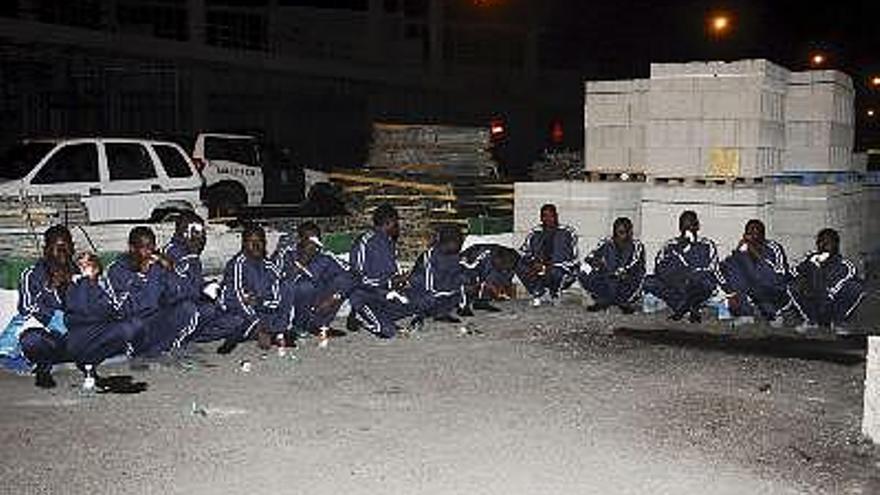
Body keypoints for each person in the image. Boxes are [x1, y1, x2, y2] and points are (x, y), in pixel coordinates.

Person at [0, 225, 75, 388]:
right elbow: (26, 309)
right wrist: (51, 288)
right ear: (46, 249)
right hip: (48, 337)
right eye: (57, 247)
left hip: (73, 337)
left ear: (73, 248)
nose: (63, 251)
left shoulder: (80, 273)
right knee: (32, 339)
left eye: (66, 246)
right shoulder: (32, 274)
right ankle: (43, 368)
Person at [162, 212, 241, 347]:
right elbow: (177, 293)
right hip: (172, 311)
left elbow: (195, 283)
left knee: (234, 320)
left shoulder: (190, 254)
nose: (203, 238)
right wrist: (205, 292)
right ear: (185, 233)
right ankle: (174, 340)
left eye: (203, 233)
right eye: (198, 233)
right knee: (204, 309)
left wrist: (212, 287)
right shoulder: (174, 253)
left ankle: (189, 336)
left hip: (191, 306)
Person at [278, 222, 353, 346]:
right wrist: (304, 259)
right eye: (309, 239)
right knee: (305, 287)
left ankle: (318, 325)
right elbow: (284, 284)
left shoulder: (325, 256)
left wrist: (335, 297)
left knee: (341, 280)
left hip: (318, 303)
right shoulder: (287, 254)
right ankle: (296, 328)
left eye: (317, 238)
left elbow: (350, 276)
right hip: (294, 308)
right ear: (300, 240)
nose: (314, 243)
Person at [215, 222, 285, 354]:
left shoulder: (270, 267)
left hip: (258, 309)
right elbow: (237, 299)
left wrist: (259, 302)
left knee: (279, 310)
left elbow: (276, 300)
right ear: (243, 244)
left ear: (265, 243)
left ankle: (259, 333)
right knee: (236, 319)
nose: (256, 245)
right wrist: (259, 327)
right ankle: (247, 335)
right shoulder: (237, 264)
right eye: (250, 241)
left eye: (259, 241)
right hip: (235, 310)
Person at [644, 211, 722, 323]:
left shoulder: (707, 244)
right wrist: (681, 249)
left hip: (696, 284)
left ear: (697, 226)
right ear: (680, 227)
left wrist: (690, 275)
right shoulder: (670, 244)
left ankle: (682, 309)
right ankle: (690, 307)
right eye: (684, 226)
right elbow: (659, 268)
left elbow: (712, 269)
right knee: (648, 281)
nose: (687, 229)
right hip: (676, 284)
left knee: (707, 284)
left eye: (691, 225)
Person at [347, 203, 412, 338]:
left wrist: (401, 281)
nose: (398, 226)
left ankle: (381, 316)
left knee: (423, 301)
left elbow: (390, 273)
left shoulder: (389, 241)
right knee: (388, 331)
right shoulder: (365, 242)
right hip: (366, 296)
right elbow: (356, 279)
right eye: (396, 223)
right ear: (388, 223)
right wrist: (390, 282)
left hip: (387, 294)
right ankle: (359, 316)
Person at [791, 228, 865, 332]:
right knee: (793, 285)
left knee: (855, 287)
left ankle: (838, 323)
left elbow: (831, 292)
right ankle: (812, 321)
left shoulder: (845, 266)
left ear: (836, 244)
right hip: (814, 303)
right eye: (821, 242)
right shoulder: (811, 259)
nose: (824, 245)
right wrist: (803, 280)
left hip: (832, 305)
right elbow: (794, 271)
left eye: (828, 242)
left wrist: (820, 287)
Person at [720, 219, 792, 325]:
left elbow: (777, 277)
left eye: (755, 233)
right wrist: (738, 251)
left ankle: (774, 314)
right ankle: (745, 314)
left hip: (775, 290)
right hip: (755, 286)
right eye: (748, 233)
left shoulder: (773, 247)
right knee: (732, 267)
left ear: (762, 234)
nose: (751, 236)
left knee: (759, 286)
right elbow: (728, 266)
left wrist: (753, 251)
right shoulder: (745, 250)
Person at [579, 217, 645, 314]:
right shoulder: (607, 242)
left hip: (626, 280)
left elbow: (633, 266)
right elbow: (590, 258)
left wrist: (618, 271)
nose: (619, 236)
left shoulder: (637, 245)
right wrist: (596, 264)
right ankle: (604, 300)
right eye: (617, 232)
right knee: (583, 271)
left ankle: (621, 301)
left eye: (623, 232)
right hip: (608, 277)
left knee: (623, 276)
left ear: (629, 232)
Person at [517, 204, 580, 306]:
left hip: (561, 270)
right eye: (544, 216)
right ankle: (539, 292)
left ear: (556, 216)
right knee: (519, 265)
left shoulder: (568, 232)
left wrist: (553, 265)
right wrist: (533, 262)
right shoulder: (535, 232)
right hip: (540, 269)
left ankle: (554, 293)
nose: (548, 219)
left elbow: (574, 260)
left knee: (555, 272)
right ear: (541, 218)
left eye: (551, 215)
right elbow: (523, 252)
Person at [406, 225, 467, 328]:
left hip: (442, 288)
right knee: (428, 296)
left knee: (461, 286)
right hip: (424, 290)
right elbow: (429, 286)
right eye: (459, 243)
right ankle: (419, 314)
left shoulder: (455, 255)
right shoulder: (430, 256)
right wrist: (449, 290)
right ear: (447, 242)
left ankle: (441, 314)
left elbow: (457, 276)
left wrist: (462, 301)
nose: (461, 246)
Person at [459, 243, 520, 313]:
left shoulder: (511, 260)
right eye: (504, 267)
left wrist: (498, 291)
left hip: (490, 263)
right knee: (469, 281)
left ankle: (481, 302)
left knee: (495, 277)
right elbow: (465, 269)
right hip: (466, 266)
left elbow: (505, 280)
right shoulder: (481, 255)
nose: (505, 269)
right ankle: (463, 305)